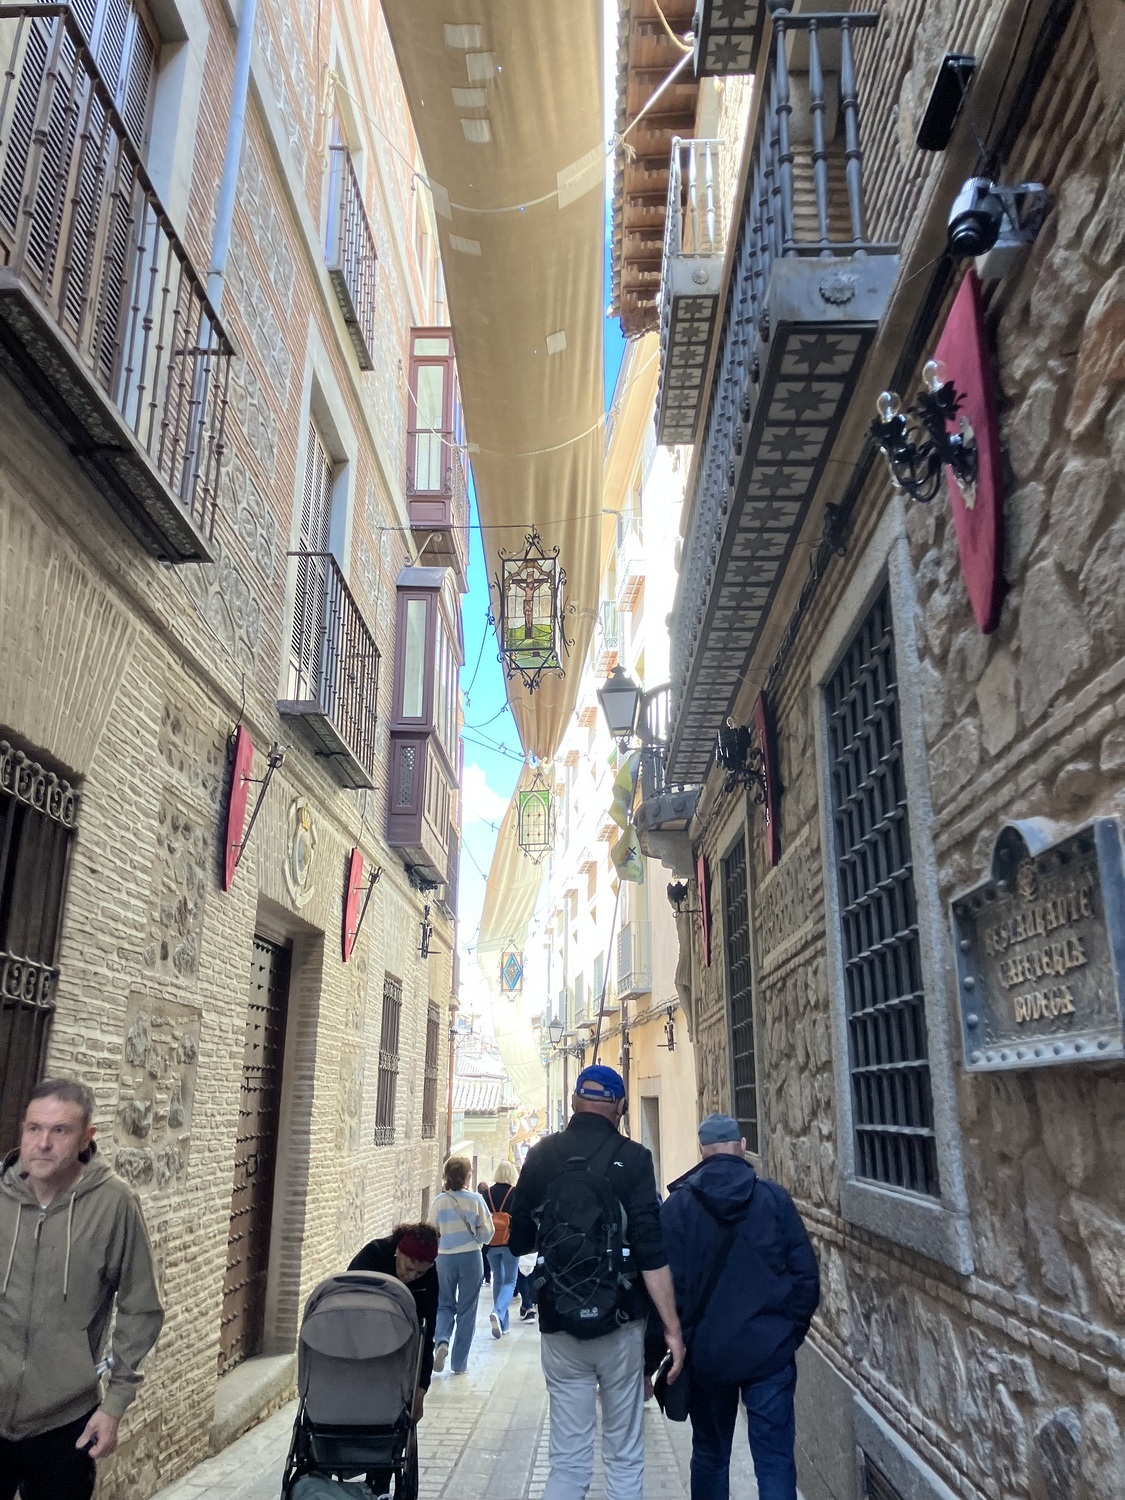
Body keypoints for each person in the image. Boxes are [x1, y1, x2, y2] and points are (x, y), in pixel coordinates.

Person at [508, 1065, 684, 1500]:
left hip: (559, 1323)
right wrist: (672, 1330)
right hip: (621, 1325)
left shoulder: (541, 1155)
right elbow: (651, 1251)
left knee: (567, 1463)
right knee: (623, 1457)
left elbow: (518, 1242)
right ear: (620, 1107)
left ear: (573, 1102)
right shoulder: (635, 1159)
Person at [0, 1079, 164, 1500]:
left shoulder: (114, 1203)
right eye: (34, 1128)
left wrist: (115, 1404)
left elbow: (141, 1307)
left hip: (66, 1422)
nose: (43, 1143)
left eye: (60, 1130)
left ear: (86, 1138)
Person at [660, 1114, 820, 1500]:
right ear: (743, 1146)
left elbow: (666, 1287)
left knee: (711, 1455)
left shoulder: (678, 1207)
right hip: (769, 1353)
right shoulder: (773, 1200)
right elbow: (806, 1278)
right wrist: (788, 1335)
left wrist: (672, 1342)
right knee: (774, 1461)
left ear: (702, 1149)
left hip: (707, 1355)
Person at [348, 1221, 440, 1420]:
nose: (412, 1276)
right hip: (358, 1338)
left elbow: (427, 1334)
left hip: (398, 1351)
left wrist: (421, 1389)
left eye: (420, 1272)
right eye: (408, 1268)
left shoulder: (429, 1278)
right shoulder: (374, 1255)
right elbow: (348, 1302)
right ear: (398, 1251)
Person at [430, 1157, 493, 1374]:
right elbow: (488, 1232)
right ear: (467, 1176)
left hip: (444, 1258)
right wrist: (476, 1237)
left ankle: (442, 1341)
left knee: (444, 1304)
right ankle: (459, 1364)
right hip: (471, 1257)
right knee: (467, 1310)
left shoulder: (439, 1201)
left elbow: (431, 1231)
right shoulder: (476, 1200)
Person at [481, 1161, 520, 1339]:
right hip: (509, 1243)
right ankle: (497, 1312)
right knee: (510, 1281)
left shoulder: (486, 1193)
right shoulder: (515, 1193)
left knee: (498, 1279)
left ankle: (503, 1324)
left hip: (491, 1242)